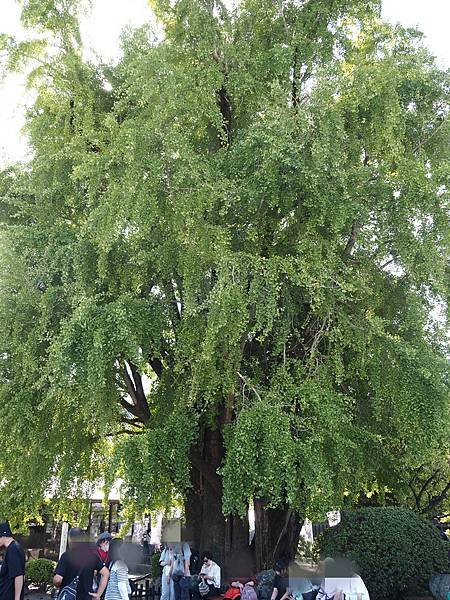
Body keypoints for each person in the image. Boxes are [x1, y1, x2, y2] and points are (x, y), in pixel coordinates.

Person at [53, 527, 109, 600]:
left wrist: (54, 581)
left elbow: (58, 580)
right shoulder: (92, 556)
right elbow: (106, 573)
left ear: (70, 539)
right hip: (87, 597)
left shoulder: (66, 556)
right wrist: (98, 594)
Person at [0, 521, 26, 600]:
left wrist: (17, 598)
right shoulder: (13, 548)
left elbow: (19, 575)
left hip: (8, 596)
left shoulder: (13, 549)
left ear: (2, 536)